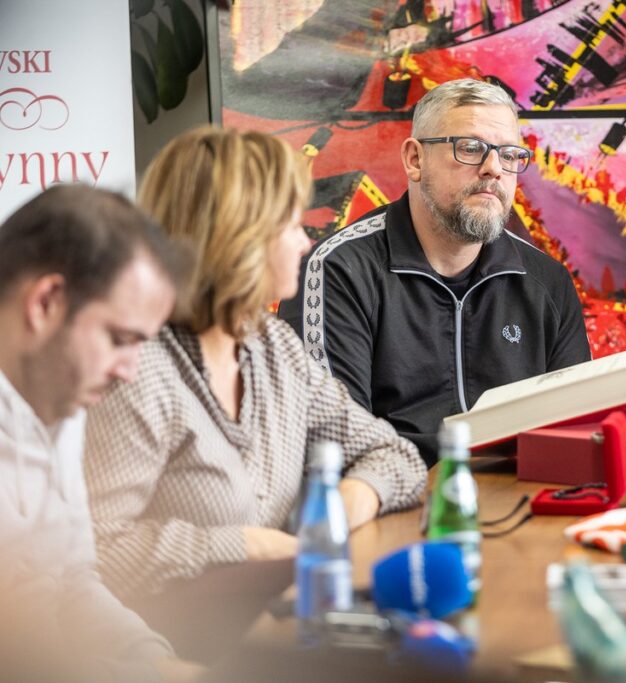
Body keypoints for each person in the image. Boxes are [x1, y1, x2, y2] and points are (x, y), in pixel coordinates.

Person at [83, 128, 427, 611]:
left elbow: (395, 455)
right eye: (292, 226)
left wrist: (344, 507)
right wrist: (243, 545)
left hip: (270, 622)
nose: (306, 243)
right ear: (238, 238)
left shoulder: (272, 346)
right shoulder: (136, 371)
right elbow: (95, 550)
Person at [278, 78, 591, 465]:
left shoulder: (548, 283)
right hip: (391, 508)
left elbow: (576, 431)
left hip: (520, 499)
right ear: (415, 160)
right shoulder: (338, 271)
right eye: (471, 148)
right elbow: (333, 446)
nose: (494, 169)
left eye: (509, 154)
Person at [0, 185, 196, 681]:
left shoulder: (59, 394)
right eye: (119, 340)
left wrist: (156, 658)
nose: (129, 370)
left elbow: (73, 581)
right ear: (45, 302)